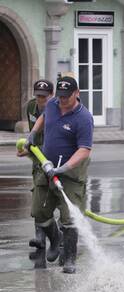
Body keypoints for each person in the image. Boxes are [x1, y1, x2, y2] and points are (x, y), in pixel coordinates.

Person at [26, 76, 93, 273]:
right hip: (46, 167)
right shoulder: (53, 103)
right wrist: (33, 133)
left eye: (67, 97)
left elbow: (84, 150)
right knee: (39, 212)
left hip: (70, 173)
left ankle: (70, 260)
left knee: (69, 216)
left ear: (77, 94)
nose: (62, 101)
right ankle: (55, 240)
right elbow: (44, 116)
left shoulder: (83, 118)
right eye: (60, 97)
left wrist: (63, 169)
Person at [17, 80, 54, 268]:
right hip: (37, 158)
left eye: (44, 97)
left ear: (52, 96)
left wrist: (33, 151)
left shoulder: (56, 110)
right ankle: (40, 237)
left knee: (57, 197)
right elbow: (33, 132)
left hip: (54, 158)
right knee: (37, 194)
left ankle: (61, 235)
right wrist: (28, 148)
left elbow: (53, 139)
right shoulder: (31, 107)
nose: (40, 100)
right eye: (37, 95)